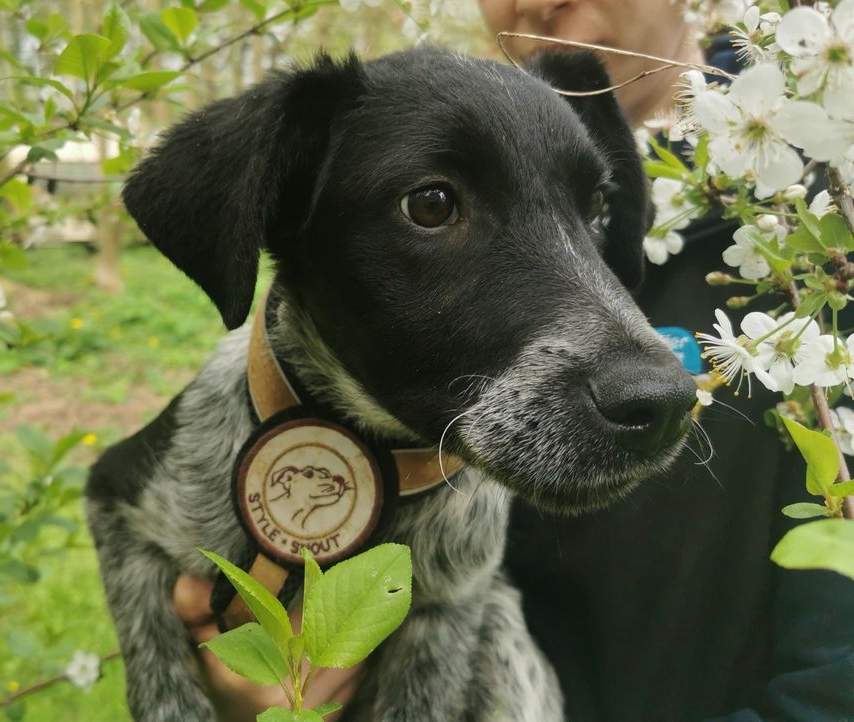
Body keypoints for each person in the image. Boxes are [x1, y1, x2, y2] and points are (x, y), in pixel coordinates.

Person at [173, 1, 854, 719]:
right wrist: (265, 674)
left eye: (594, 211)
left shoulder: (823, 246)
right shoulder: (372, 151)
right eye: (435, 206)